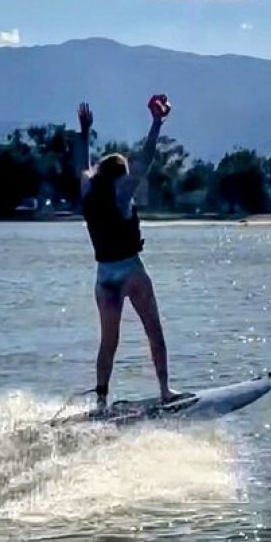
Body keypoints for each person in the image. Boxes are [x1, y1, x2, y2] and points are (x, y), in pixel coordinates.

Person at [75, 95, 176, 410]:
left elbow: (82, 164)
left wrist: (85, 130)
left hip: (104, 278)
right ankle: (164, 391)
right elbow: (145, 160)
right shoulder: (122, 194)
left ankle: (102, 402)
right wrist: (157, 123)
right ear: (121, 176)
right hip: (130, 271)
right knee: (154, 333)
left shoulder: (88, 191)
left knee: (108, 343)